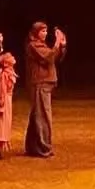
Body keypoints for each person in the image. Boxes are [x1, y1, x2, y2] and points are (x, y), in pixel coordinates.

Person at [23, 21, 67, 158]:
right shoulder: (33, 45)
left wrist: (62, 45)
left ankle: (33, 147)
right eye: (42, 31)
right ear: (36, 32)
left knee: (37, 115)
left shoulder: (41, 45)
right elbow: (49, 57)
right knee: (43, 116)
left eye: (46, 31)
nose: (45, 33)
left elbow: (55, 58)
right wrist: (57, 43)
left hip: (45, 83)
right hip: (40, 83)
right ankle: (44, 148)